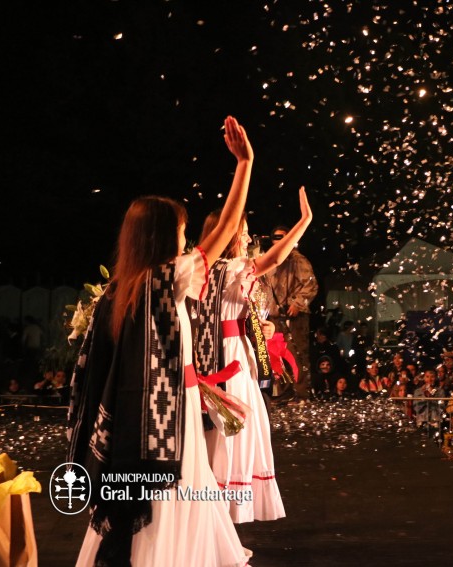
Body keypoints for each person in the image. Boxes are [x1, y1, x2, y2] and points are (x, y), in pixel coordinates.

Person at [66, 116, 253, 566]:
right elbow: (225, 230)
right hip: (167, 423)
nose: (187, 240)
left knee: (190, 489)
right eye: (182, 230)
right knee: (173, 494)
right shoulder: (166, 281)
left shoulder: (127, 287)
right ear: (162, 236)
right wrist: (244, 164)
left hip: (156, 412)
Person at [194, 188, 312, 523]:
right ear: (227, 235)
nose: (247, 239)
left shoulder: (202, 270)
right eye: (242, 232)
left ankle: (216, 516)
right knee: (235, 430)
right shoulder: (232, 268)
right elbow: (274, 259)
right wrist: (303, 222)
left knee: (220, 433)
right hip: (230, 360)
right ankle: (223, 514)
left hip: (217, 355)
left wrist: (260, 329)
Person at [259, 224, 319, 401]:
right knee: (278, 354)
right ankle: (286, 390)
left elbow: (311, 285)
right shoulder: (270, 260)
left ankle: (301, 393)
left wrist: (297, 304)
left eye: (283, 237)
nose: (280, 241)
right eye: (276, 237)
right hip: (274, 317)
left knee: (297, 354)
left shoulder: (298, 260)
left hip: (294, 316)